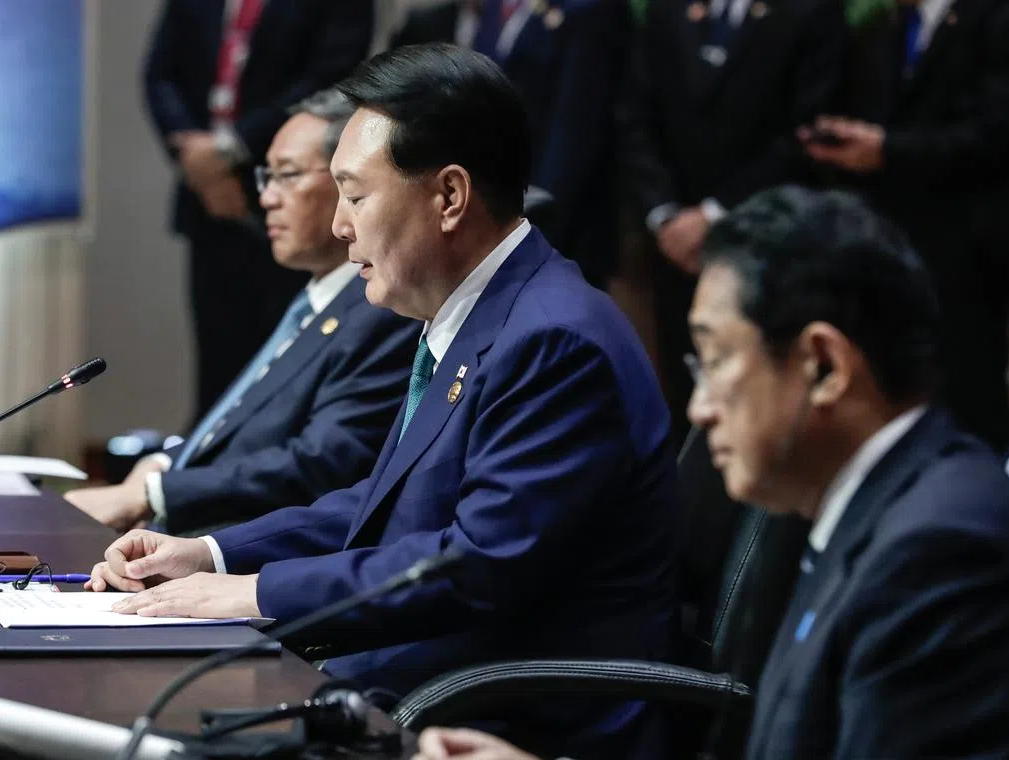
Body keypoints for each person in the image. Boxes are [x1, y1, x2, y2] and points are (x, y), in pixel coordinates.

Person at [86, 43, 680, 760]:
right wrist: (211, 555)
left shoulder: (553, 339)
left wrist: (255, 594)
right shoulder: (475, 315)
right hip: (413, 676)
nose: (341, 226)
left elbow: (476, 566)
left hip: (500, 720)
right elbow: (385, 506)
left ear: (450, 197)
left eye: (356, 195)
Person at [410, 185, 1009, 759]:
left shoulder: (942, 549)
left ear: (824, 366)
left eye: (715, 362)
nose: (700, 408)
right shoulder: (867, 508)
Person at [66, 91, 419, 537]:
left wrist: (156, 493)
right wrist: (161, 465)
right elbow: (236, 431)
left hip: (246, 548)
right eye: (265, 177)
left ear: (346, 182)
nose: (267, 197)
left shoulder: (382, 309)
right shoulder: (310, 302)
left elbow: (326, 461)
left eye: (287, 175)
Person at [799, 0, 1009, 450]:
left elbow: (998, 135)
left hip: (969, 253)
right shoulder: (888, 26)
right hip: (893, 245)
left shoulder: (1001, 20)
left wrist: (888, 150)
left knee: (969, 397)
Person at [618, 0, 846, 441]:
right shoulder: (668, 10)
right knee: (686, 397)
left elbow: (806, 135)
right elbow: (635, 116)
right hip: (674, 247)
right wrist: (664, 215)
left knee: (764, 399)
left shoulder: (811, 11)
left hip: (769, 245)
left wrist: (714, 215)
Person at [143, 0, 374, 423]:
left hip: (287, 188)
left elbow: (328, 80)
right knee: (218, 367)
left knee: (291, 365)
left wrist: (232, 151)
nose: (272, 196)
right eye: (274, 180)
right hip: (206, 205)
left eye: (283, 178)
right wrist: (200, 167)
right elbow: (160, 75)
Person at [390, 0, 630, 287]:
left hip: (559, 219)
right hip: (493, 216)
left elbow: (575, 127)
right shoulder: (491, 9)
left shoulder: (587, 9)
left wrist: (536, 218)